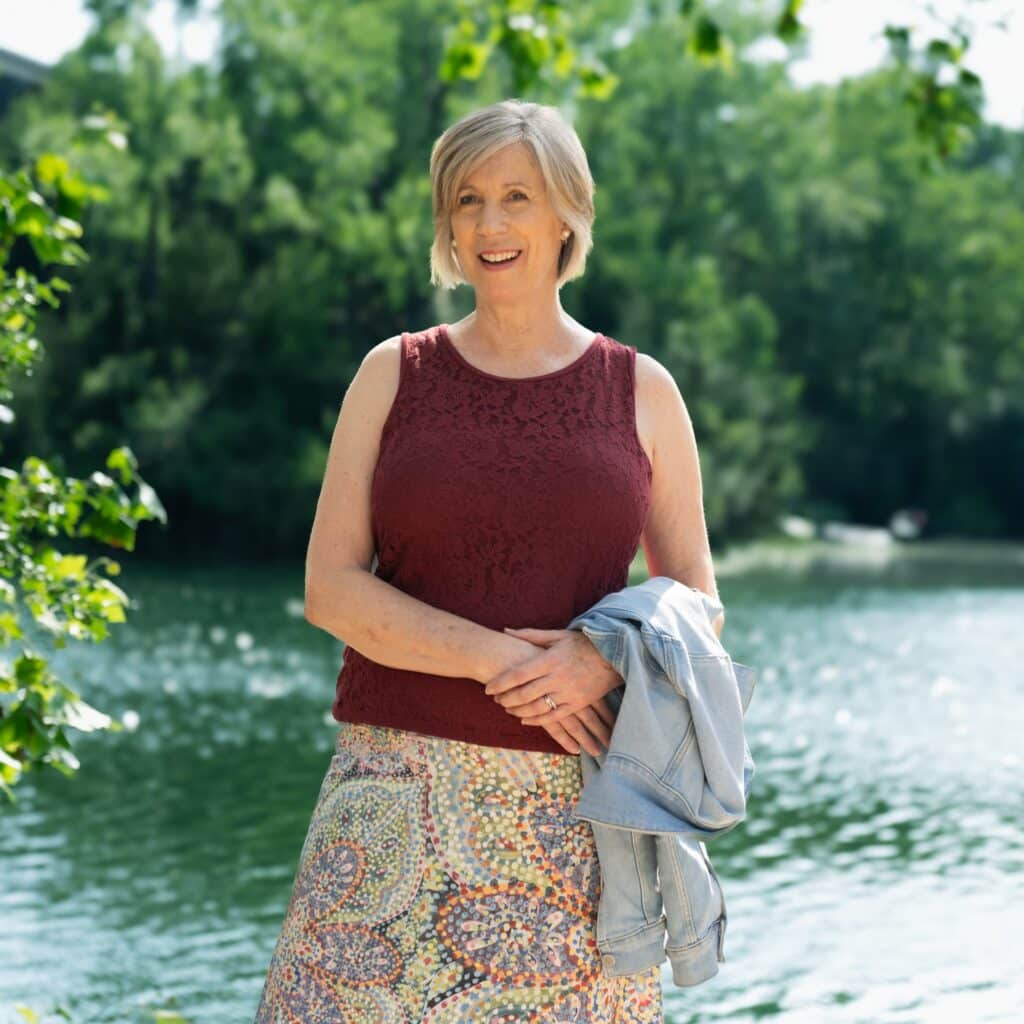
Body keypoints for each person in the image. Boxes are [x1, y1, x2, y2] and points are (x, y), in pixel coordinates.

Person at [254, 97, 722, 1023]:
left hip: (574, 819)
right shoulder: (394, 373)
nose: (492, 223)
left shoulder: (644, 391)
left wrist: (599, 658)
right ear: (446, 224)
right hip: (388, 804)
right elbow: (330, 587)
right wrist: (503, 661)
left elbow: (698, 600)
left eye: (517, 196)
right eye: (467, 200)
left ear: (566, 217)